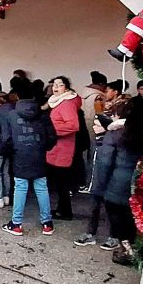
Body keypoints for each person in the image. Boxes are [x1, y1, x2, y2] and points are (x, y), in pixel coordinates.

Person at [91, 96, 143, 266]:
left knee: (118, 218)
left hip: (118, 183)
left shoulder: (115, 133)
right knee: (135, 217)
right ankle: (137, 248)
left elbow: (105, 162)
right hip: (142, 182)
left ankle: (127, 250)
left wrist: (100, 186)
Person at [0, 80, 58, 237]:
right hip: (39, 155)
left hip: (20, 155)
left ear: (17, 96)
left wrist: (14, 150)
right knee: (41, 187)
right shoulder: (43, 115)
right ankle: (47, 224)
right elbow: (52, 137)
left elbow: (6, 139)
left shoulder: (11, 115)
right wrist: (43, 148)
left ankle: (16, 224)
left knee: (20, 187)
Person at [76, 99, 129, 250]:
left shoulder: (111, 140)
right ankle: (90, 233)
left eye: (98, 125)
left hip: (109, 181)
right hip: (96, 180)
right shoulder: (96, 141)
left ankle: (114, 236)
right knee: (94, 207)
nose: (94, 127)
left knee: (112, 211)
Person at [44, 76, 82, 220]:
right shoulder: (57, 101)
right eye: (54, 84)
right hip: (57, 147)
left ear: (66, 88)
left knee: (62, 182)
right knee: (60, 182)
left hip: (62, 148)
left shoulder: (67, 104)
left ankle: (65, 212)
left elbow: (73, 125)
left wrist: (52, 130)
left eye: (60, 85)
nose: (56, 87)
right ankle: (62, 209)